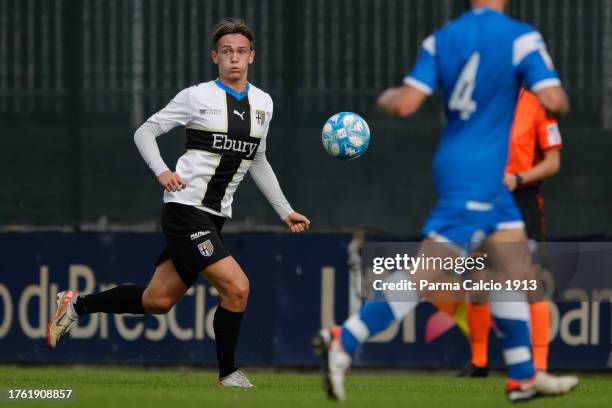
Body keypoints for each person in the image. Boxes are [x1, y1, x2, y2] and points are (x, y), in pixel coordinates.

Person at [314, 0, 577, 402]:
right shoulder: (521, 38)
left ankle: (523, 375)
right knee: (428, 273)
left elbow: (404, 103)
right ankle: (345, 339)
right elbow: (556, 101)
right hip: (479, 176)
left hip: (466, 169)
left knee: (515, 269)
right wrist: (542, 80)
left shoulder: (441, 39)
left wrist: (385, 97)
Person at [47, 18, 310, 388]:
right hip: (185, 210)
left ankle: (76, 304)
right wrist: (162, 171)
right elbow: (145, 132)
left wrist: (285, 210)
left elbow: (259, 160)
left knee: (157, 301)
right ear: (215, 57)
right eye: (226, 52)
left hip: (215, 216)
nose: (234, 59)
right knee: (238, 287)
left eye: (240, 52)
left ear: (251, 56)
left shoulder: (263, 103)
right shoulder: (196, 96)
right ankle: (228, 374)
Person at [461, 89, 563, 377]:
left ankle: (539, 366)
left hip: (522, 200)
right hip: (483, 198)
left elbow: (553, 163)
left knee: (529, 283)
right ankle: (479, 362)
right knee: (477, 282)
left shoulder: (538, 105)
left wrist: (517, 179)